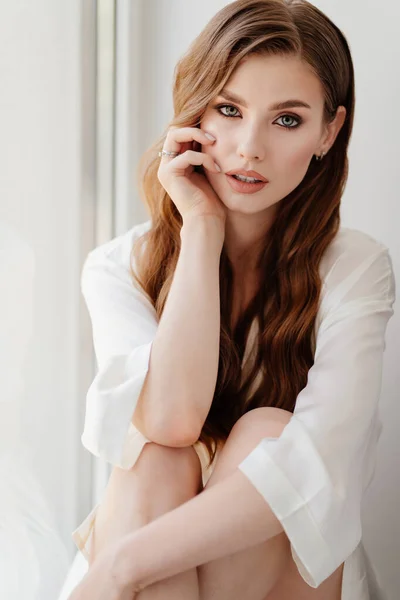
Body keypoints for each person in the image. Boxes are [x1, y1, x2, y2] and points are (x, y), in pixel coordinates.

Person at [68, 0, 396, 598]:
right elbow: (170, 420)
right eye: (228, 109)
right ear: (194, 114)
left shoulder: (355, 268)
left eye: (287, 120)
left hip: (251, 575)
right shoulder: (118, 267)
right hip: (145, 542)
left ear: (329, 131)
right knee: (161, 458)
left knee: (269, 436)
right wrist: (201, 228)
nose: (249, 148)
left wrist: (119, 568)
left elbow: (315, 468)